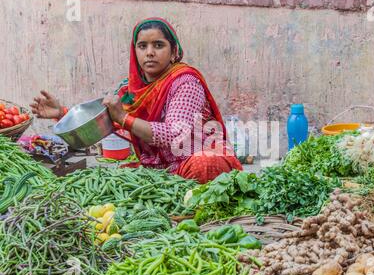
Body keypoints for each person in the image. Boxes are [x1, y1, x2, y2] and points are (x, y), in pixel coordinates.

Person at [30, 17, 242, 183]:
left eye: (158, 45)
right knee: (117, 178)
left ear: (173, 51)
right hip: (158, 168)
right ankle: (165, 187)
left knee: (205, 165)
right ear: (135, 51)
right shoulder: (131, 90)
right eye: (142, 46)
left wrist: (124, 118)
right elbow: (103, 124)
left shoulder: (184, 81)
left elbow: (176, 134)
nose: (149, 53)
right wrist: (63, 114)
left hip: (191, 159)